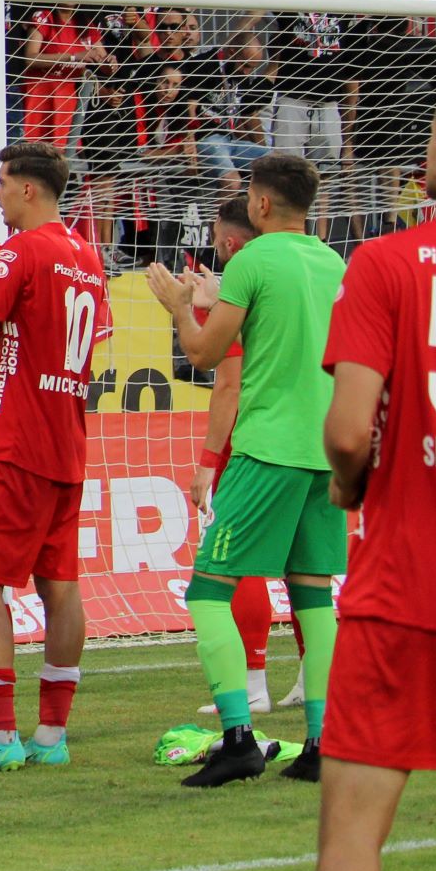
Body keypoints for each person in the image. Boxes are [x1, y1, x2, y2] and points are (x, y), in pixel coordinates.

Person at [309, 77, 436, 871]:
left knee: (352, 836)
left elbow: (349, 431)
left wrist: (351, 484)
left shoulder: (389, 260)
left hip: (412, 578)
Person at [143, 152, 346, 786]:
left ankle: (237, 739)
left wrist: (181, 305)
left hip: (268, 448)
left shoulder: (252, 261)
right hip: (325, 450)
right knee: (314, 596)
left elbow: (205, 353)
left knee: (208, 592)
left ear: (259, 204)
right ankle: (322, 744)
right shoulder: (333, 262)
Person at [0, 140, 110, 774]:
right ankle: (52, 734)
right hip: (67, 443)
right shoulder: (86, 254)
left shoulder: (22, 249)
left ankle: (0, 733)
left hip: (14, 443)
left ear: (28, 190)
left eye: (3, 183)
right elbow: (43, 324)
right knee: (61, 586)